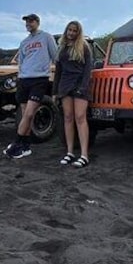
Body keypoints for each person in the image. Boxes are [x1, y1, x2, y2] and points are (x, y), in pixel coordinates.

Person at [3, 13, 58, 159]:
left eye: (31, 21)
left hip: (39, 79)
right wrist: (21, 74)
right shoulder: (24, 42)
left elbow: (56, 57)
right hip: (23, 80)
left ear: (37, 22)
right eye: (26, 21)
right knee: (24, 114)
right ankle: (25, 147)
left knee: (29, 114)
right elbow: (21, 61)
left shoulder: (46, 37)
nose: (28, 23)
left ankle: (16, 142)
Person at [54, 20, 94, 168]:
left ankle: (84, 155)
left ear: (78, 32)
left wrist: (83, 87)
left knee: (80, 118)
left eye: (74, 30)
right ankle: (70, 152)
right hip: (65, 86)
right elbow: (58, 71)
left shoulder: (84, 46)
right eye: (69, 30)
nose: (71, 33)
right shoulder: (62, 48)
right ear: (66, 31)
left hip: (80, 86)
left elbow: (88, 69)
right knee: (68, 118)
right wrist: (55, 91)